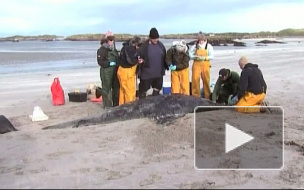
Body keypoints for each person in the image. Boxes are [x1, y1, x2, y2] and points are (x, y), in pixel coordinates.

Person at [137, 27, 168, 99]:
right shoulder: (143, 46)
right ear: (150, 38)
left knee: (156, 93)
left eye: (157, 38)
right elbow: (137, 57)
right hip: (146, 74)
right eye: (154, 39)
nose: (156, 40)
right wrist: (140, 61)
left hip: (158, 74)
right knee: (143, 93)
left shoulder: (161, 45)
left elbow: (165, 57)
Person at [97, 31, 119, 109]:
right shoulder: (101, 50)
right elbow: (100, 61)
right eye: (109, 39)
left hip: (115, 71)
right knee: (106, 89)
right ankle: (107, 106)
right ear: (105, 40)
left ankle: (116, 105)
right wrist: (109, 64)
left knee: (116, 88)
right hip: (106, 71)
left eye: (112, 39)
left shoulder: (114, 50)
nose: (111, 41)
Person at [117, 36, 142, 105]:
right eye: (139, 45)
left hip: (121, 71)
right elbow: (130, 60)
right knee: (130, 92)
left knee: (123, 91)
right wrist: (138, 61)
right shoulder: (130, 49)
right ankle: (129, 108)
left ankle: (121, 107)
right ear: (136, 43)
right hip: (127, 72)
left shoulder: (125, 47)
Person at [189, 31, 214, 99]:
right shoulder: (195, 46)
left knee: (206, 80)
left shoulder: (208, 46)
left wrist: (205, 58)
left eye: (202, 40)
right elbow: (190, 54)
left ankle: (207, 96)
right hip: (196, 65)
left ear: (204, 39)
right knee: (195, 80)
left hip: (205, 65)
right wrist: (194, 57)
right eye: (199, 40)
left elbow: (212, 56)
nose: (201, 42)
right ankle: (196, 96)